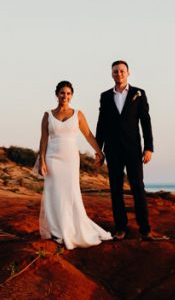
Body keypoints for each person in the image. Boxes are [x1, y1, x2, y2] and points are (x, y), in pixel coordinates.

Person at [37, 80, 112, 249]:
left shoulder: (78, 114)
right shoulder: (47, 115)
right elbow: (43, 139)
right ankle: (57, 230)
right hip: (52, 158)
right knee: (54, 192)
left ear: (72, 95)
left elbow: (88, 135)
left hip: (70, 159)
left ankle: (71, 229)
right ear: (57, 94)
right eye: (62, 93)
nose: (65, 96)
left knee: (70, 192)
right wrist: (42, 160)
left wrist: (99, 152)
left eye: (68, 93)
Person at [95, 60, 154, 240]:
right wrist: (99, 150)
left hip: (133, 149)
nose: (118, 74)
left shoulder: (139, 93)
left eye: (121, 71)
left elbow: (145, 122)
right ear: (111, 74)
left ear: (128, 73)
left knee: (138, 187)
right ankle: (120, 228)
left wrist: (149, 147)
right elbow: (101, 125)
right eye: (115, 72)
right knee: (116, 189)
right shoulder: (105, 96)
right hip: (113, 150)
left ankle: (145, 230)